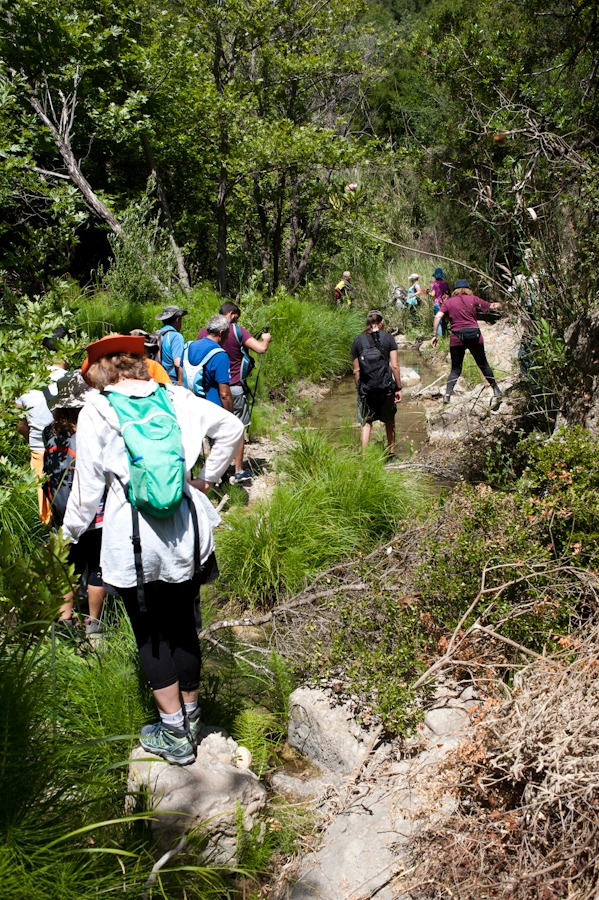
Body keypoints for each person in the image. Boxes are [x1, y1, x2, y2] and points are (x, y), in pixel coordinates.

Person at [63, 334, 243, 765]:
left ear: (101, 372)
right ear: (139, 364)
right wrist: (207, 479)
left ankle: (173, 734)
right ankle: (193, 718)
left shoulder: (98, 409)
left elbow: (87, 491)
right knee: (183, 623)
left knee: (150, 632)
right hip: (185, 530)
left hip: (132, 537)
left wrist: (67, 535)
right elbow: (233, 428)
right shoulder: (177, 397)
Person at [44, 371, 106, 637]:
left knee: (70, 566)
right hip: (92, 513)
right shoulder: (89, 432)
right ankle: (95, 626)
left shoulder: (50, 433)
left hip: (62, 513)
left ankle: (64, 622)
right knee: (97, 566)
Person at [198, 301, 272, 484]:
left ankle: (218, 471)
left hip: (212, 389)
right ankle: (239, 470)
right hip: (235, 387)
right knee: (238, 429)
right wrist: (266, 339)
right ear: (231, 314)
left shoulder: (203, 333)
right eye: (236, 316)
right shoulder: (237, 330)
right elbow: (260, 349)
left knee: (215, 430)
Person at [15, 328, 68, 523]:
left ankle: (49, 538)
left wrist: (33, 439)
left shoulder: (26, 382)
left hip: (39, 450)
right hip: (69, 453)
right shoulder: (74, 381)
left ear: (42, 350)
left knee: (45, 508)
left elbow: (18, 420)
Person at [432, 279, 503, 406]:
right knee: (483, 364)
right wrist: (504, 304)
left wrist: (434, 335)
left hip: (457, 338)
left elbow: (438, 316)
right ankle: (496, 389)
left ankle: (447, 395)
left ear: (455, 290)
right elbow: (492, 306)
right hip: (474, 336)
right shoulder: (473, 299)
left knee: (455, 369)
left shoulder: (448, 303)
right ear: (468, 289)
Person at [351, 311, 402, 452]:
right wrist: (398, 388)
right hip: (386, 388)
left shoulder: (358, 341)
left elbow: (356, 371)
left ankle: (365, 456)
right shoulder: (389, 338)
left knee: (367, 422)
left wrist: (359, 389)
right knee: (389, 420)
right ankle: (391, 453)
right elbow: (395, 366)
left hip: (367, 388)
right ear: (382, 321)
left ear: (367, 323)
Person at [183, 315, 233, 410]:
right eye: (227, 334)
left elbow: (181, 381)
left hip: (189, 405)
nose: (227, 338)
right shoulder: (221, 355)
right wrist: (230, 418)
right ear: (221, 333)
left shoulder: (188, 347)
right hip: (211, 409)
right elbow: (225, 394)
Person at [155, 305, 187, 385]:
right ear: (177, 319)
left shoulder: (157, 335)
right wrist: (181, 385)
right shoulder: (176, 336)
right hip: (171, 383)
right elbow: (178, 363)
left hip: (157, 381)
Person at [430, 268, 450, 337]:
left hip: (437, 303)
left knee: (438, 321)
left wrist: (427, 292)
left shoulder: (434, 284)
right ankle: (446, 335)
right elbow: (448, 293)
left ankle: (439, 337)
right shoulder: (445, 284)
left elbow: (433, 294)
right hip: (445, 304)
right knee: (444, 320)